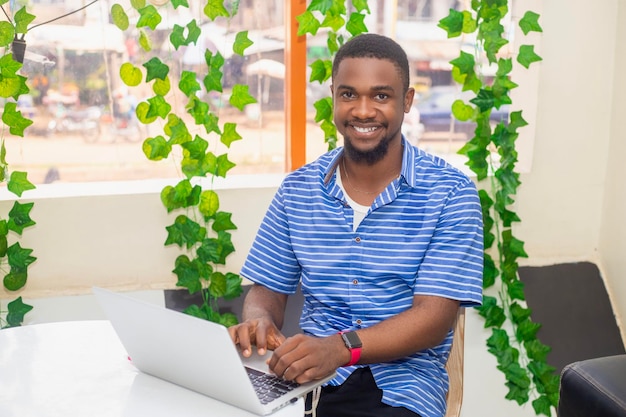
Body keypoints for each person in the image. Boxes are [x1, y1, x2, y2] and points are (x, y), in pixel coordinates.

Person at [228, 33, 483, 417]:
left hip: (403, 385)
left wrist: (340, 347)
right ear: (333, 97)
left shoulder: (451, 193)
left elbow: (434, 318)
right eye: (349, 94)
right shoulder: (298, 189)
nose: (363, 111)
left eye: (381, 96)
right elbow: (266, 294)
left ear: (407, 101)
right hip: (306, 378)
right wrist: (258, 324)